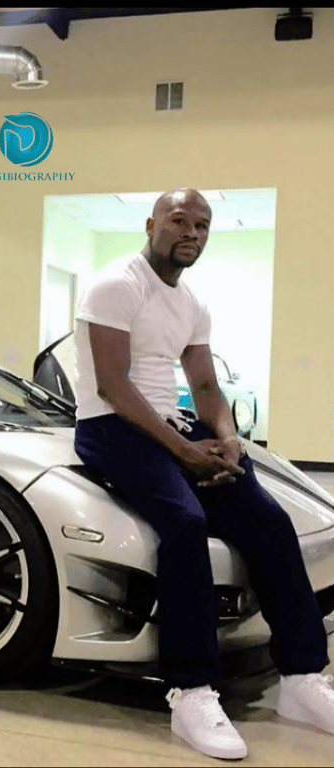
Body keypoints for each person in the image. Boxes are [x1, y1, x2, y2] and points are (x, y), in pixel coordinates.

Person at [72, 187, 334, 760]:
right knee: (185, 523)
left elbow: (206, 387)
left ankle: (303, 678)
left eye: (203, 225)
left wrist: (227, 438)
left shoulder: (192, 301)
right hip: (110, 429)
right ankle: (191, 690)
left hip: (170, 425)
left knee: (267, 520)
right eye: (179, 220)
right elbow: (112, 386)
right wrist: (184, 454)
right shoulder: (117, 283)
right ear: (151, 224)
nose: (191, 233)